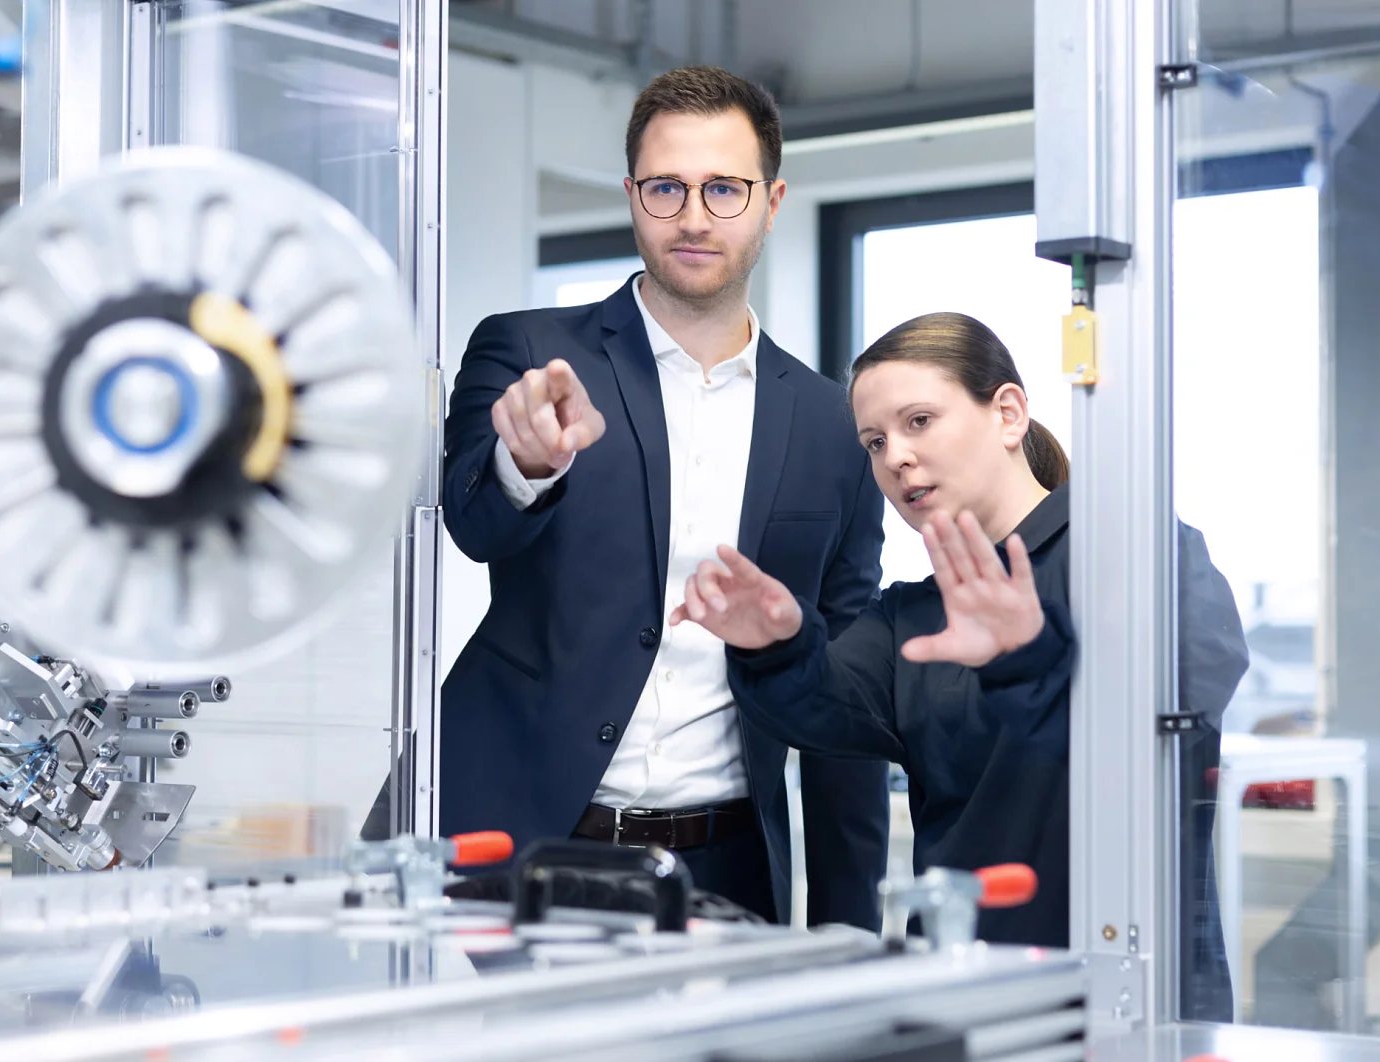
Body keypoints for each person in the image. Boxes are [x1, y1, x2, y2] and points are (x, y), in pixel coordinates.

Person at [673, 311, 1246, 1017]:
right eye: (875, 442)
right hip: (961, 988)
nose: (896, 459)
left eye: (919, 422)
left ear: (1007, 414)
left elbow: (1178, 720)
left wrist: (1026, 660)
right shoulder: (909, 614)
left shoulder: (1137, 551)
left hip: (1131, 992)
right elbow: (820, 706)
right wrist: (772, 642)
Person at [434, 66, 891, 929]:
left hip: (723, 868)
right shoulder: (532, 353)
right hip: (512, 846)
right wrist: (521, 465)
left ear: (772, 199)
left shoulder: (835, 424)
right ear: (632, 194)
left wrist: (847, 929)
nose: (692, 216)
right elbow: (472, 525)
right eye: (666, 187)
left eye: (724, 188)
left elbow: (842, 693)